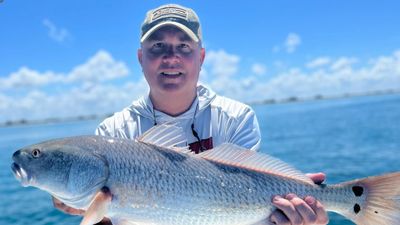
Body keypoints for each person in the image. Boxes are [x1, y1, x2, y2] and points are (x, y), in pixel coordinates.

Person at [53, 4, 328, 225]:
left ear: (201, 57)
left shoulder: (236, 117)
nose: (171, 57)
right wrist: (86, 207)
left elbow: (249, 199)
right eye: (157, 46)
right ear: (140, 58)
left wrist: (300, 208)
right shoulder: (113, 133)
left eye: (184, 46)